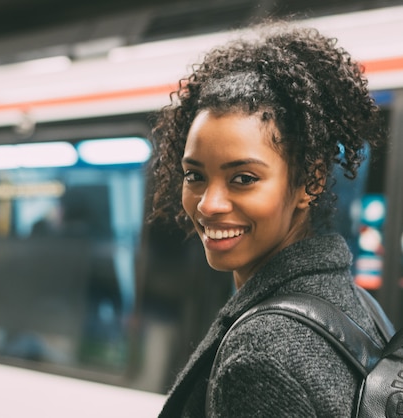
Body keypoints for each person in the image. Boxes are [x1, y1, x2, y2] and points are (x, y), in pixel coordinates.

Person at [149, 22, 388, 417]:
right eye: (195, 176)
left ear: (309, 181)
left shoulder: (259, 356)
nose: (209, 204)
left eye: (243, 179)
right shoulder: (357, 305)